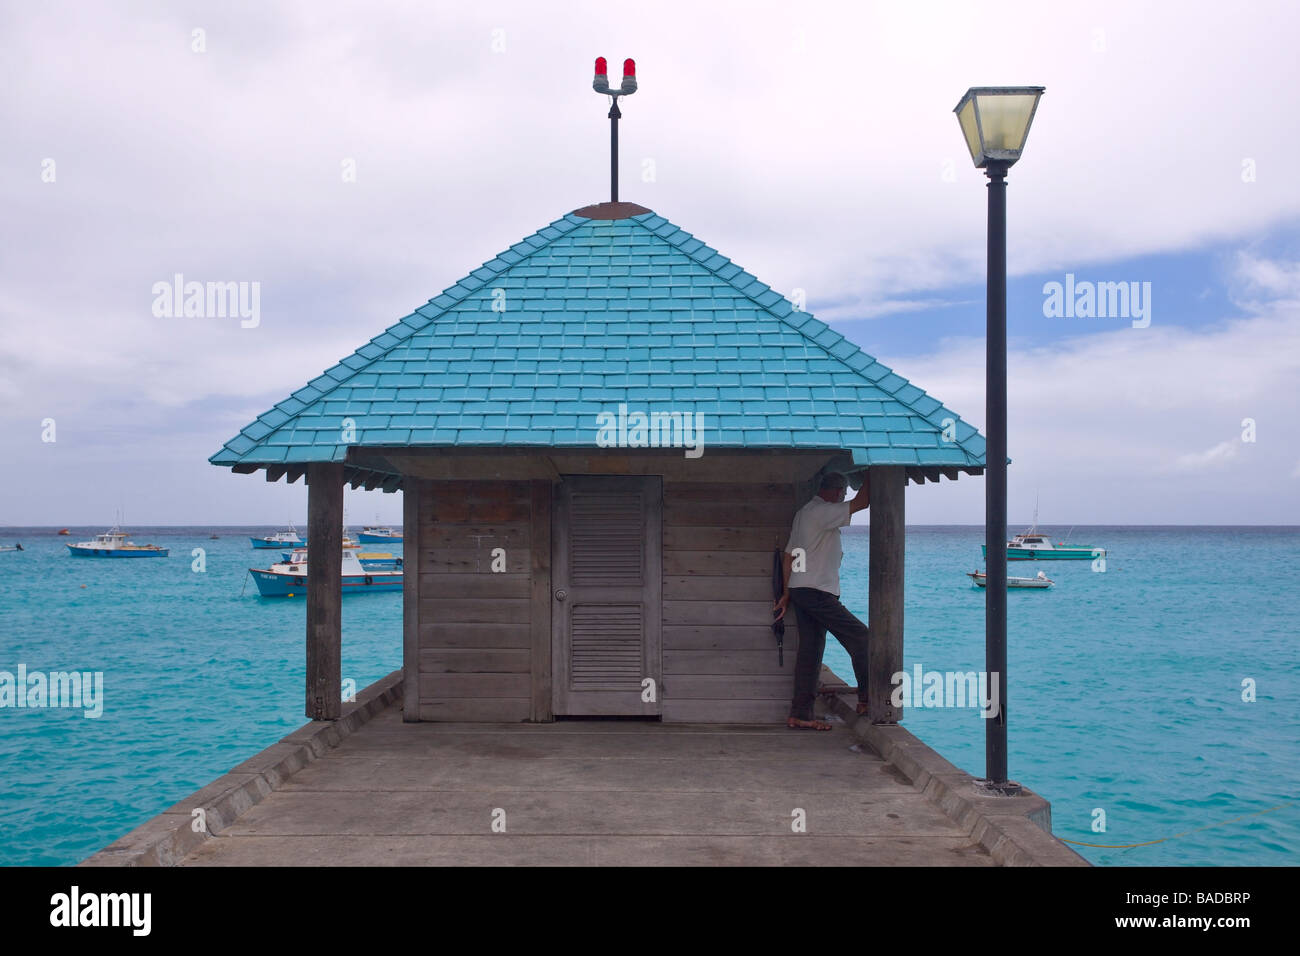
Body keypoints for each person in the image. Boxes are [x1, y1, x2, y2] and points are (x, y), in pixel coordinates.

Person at [773, 471, 871, 730]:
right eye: (843, 494)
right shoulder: (823, 511)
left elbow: (788, 556)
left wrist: (786, 593)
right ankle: (867, 699)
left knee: (811, 651)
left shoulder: (805, 513)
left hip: (801, 590)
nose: (844, 499)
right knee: (862, 638)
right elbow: (863, 502)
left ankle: (801, 714)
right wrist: (875, 470)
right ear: (836, 492)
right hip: (815, 592)